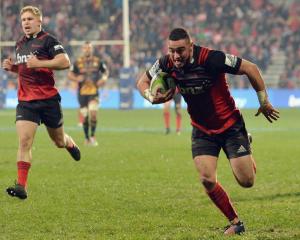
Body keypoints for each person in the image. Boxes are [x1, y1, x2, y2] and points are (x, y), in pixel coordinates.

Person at [136, 28, 280, 235]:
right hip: (202, 129)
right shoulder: (165, 63)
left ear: (191, 47)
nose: (176, 56)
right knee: (207, 179)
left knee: (247, 181)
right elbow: (142, 82)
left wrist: (264, 102)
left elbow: (251, 68)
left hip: (230, 126)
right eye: (172, 50)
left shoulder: (212, 59)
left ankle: (246, 145)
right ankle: (235, 222)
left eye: (181, 50)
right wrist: (150, 97)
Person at [2, 6, 81, 200]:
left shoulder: (48, 40)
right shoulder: (19, 44)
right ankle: (21, 186)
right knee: (24, 141)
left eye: (30, 19)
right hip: (26, 101)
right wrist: (13, 68)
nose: (26, 23)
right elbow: (26, 69)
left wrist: (41, 63)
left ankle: (68, 143)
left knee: (58, 141)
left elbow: (65, 62)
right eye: (23, 20)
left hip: (48, 101)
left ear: (39, 21)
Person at [68, 41, 109, 146]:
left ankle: (93, 136)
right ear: (83, 49)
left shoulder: (97, 61)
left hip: (94, 91)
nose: (87, 50)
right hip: (82, 93)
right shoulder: (78, 62)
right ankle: (87, 138)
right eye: (85, 48)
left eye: (89, 48)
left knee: (93, 113)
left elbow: (105, 71)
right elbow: (70, 74)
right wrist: (76, 78)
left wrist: (104, 79)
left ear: (92, 49)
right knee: (85, 117)